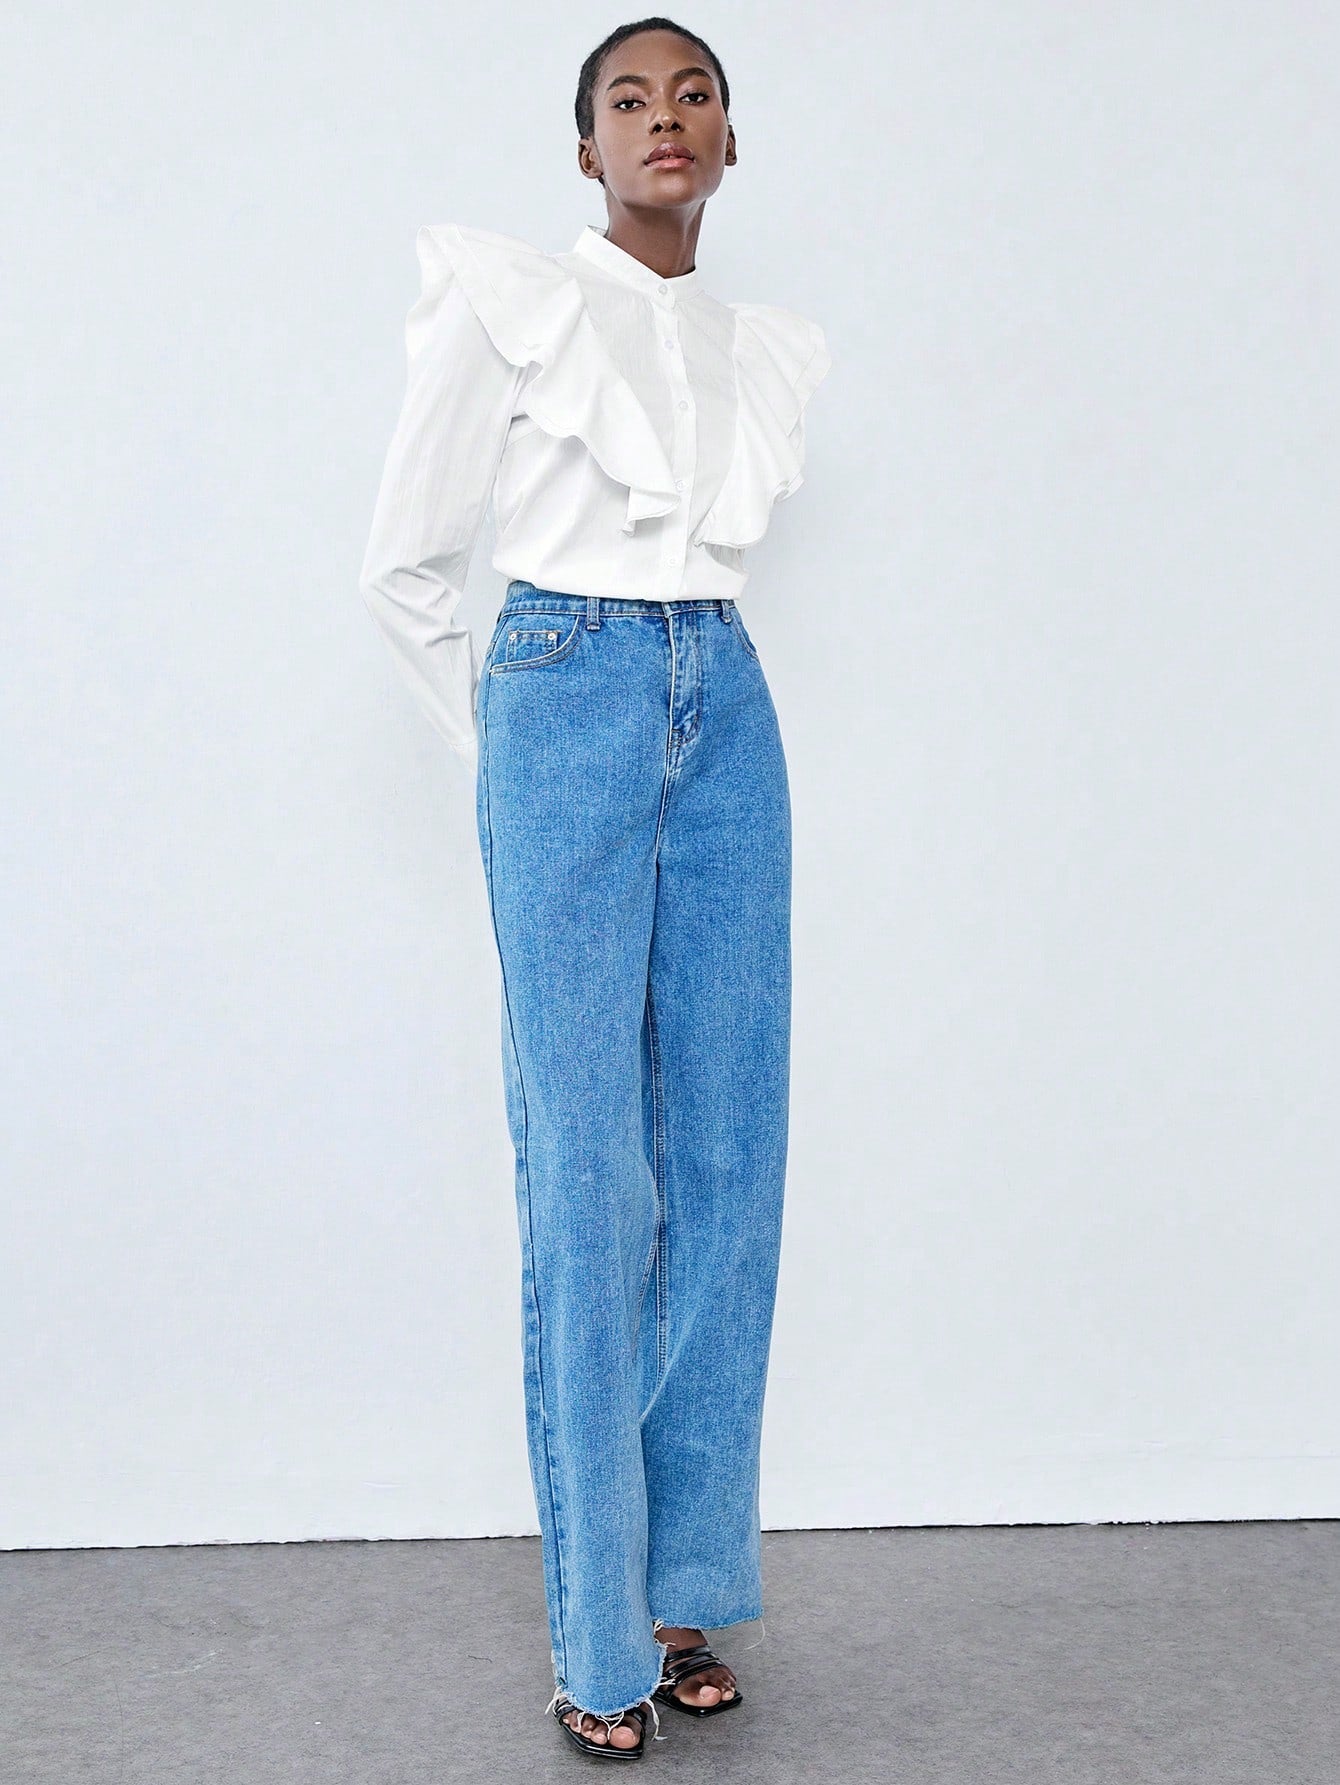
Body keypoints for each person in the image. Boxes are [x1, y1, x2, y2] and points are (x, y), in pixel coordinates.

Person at [358, 18, 831, 1763]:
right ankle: (596, 1633)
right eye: (627, 100)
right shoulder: (513, 302)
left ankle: (686, 1589)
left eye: (694, 94)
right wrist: (512, 759)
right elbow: (405, 568)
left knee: (726, 1157)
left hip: (728, 697)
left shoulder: (755, 346)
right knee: (587, 1171)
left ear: (730, 142)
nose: (663, 119)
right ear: (585, 151)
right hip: (562, 686)